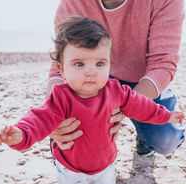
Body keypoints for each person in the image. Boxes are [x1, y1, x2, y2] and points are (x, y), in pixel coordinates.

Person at [0, 17, 184, 184]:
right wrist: (19, 134)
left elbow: (143, 106)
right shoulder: (61, 97)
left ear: (109, 65)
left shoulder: (115, 91)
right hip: (71, 165)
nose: (91, 71)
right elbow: (39, 119)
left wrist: (166, 115)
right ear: (61, 68)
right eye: (79, 63)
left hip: (105, 162)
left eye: (99, 63)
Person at [47, 0, 185, 156]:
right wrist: (54, 114)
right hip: (96, 78)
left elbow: (162, 64)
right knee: (67, 120)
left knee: (166, 140)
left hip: (144, 79)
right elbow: (59, 68)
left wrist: (124, 106)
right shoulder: (73, 3)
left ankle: (146, 133)